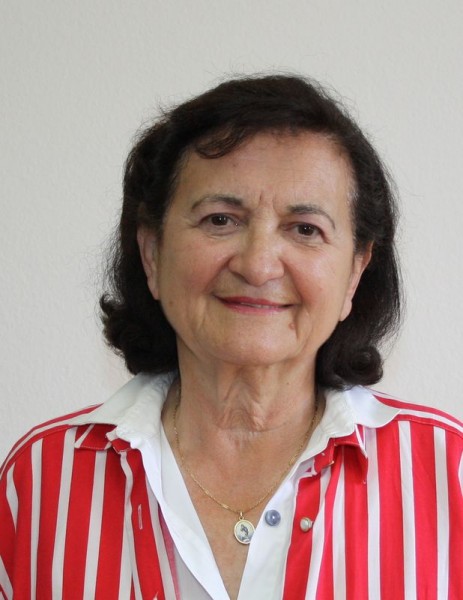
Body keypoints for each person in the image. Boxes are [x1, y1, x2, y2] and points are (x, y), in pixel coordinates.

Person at [1, 74, 462, 600]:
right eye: (220, 219)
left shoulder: (449, 475)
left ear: (355, 272)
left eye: (305, 229)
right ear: (152, 254)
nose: (258, 265)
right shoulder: (38, 484)